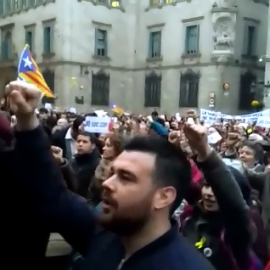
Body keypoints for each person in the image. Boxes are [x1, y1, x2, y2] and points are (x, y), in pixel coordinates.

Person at [6, 81, 215, 270]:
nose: (107, 183)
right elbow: (51, 192)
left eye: (126, 177)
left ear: (164, 196)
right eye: (112, 172)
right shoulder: (102, 234)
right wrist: (27, 120)